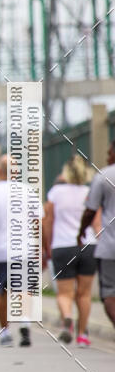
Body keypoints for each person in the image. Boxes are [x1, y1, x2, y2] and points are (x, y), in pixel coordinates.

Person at [0, 155, 40, 347]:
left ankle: (5, 332)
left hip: (1, 252)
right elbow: (38, 221)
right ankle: (26, 322)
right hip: (25, 250)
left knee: (2, 292)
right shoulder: (28, 192)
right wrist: (40, 247)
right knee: (24, 289)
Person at [43, 155, 98, 346]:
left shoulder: (56, 192)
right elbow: (97, 223)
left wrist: (47, 246)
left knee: (64, 293)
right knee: (84, 294)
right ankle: (83, 336)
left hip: (63, 246)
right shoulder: (89, 192)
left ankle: (67, 319)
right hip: (88, 246)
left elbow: (47, 221)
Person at [78, 140, 115, 329]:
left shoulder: (103, 176)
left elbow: (90, 211)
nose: (107, 157)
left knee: (109, 294)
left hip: (109, 247)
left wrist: (82, 230)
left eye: (109, 153)